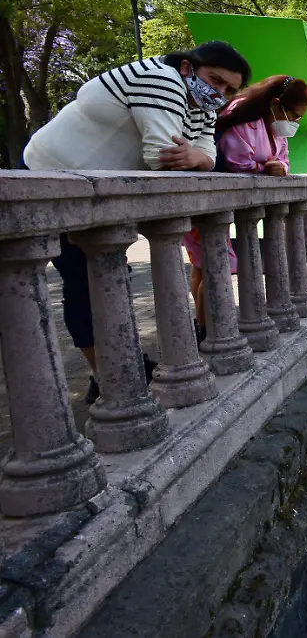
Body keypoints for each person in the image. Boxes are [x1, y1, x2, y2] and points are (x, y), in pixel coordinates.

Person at [22, 41, 251, 404]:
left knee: (108, 279)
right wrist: (196, 156)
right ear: (189, 67)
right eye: (215, 80)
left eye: (228, 89)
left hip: (95, 195)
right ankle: (105, 374)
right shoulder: (161, 79)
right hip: (50, 181)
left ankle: (116, 366)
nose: (219, 92)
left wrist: (198, 156)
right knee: (85, 281)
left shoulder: (200, 105)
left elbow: (208, 153)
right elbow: (162, 157)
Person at [182, 75, 307, 342]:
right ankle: (208, 330)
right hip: (207, 201)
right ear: (276, 104)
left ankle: (201, 324)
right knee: (217, 264)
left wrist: (280, 167)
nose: (295, 123)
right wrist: (267, 168)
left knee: (203, 262)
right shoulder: (242, 121)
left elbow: (283, 159)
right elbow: (236, 161)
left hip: (222, 205)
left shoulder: (273, 129)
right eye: (294, 115)